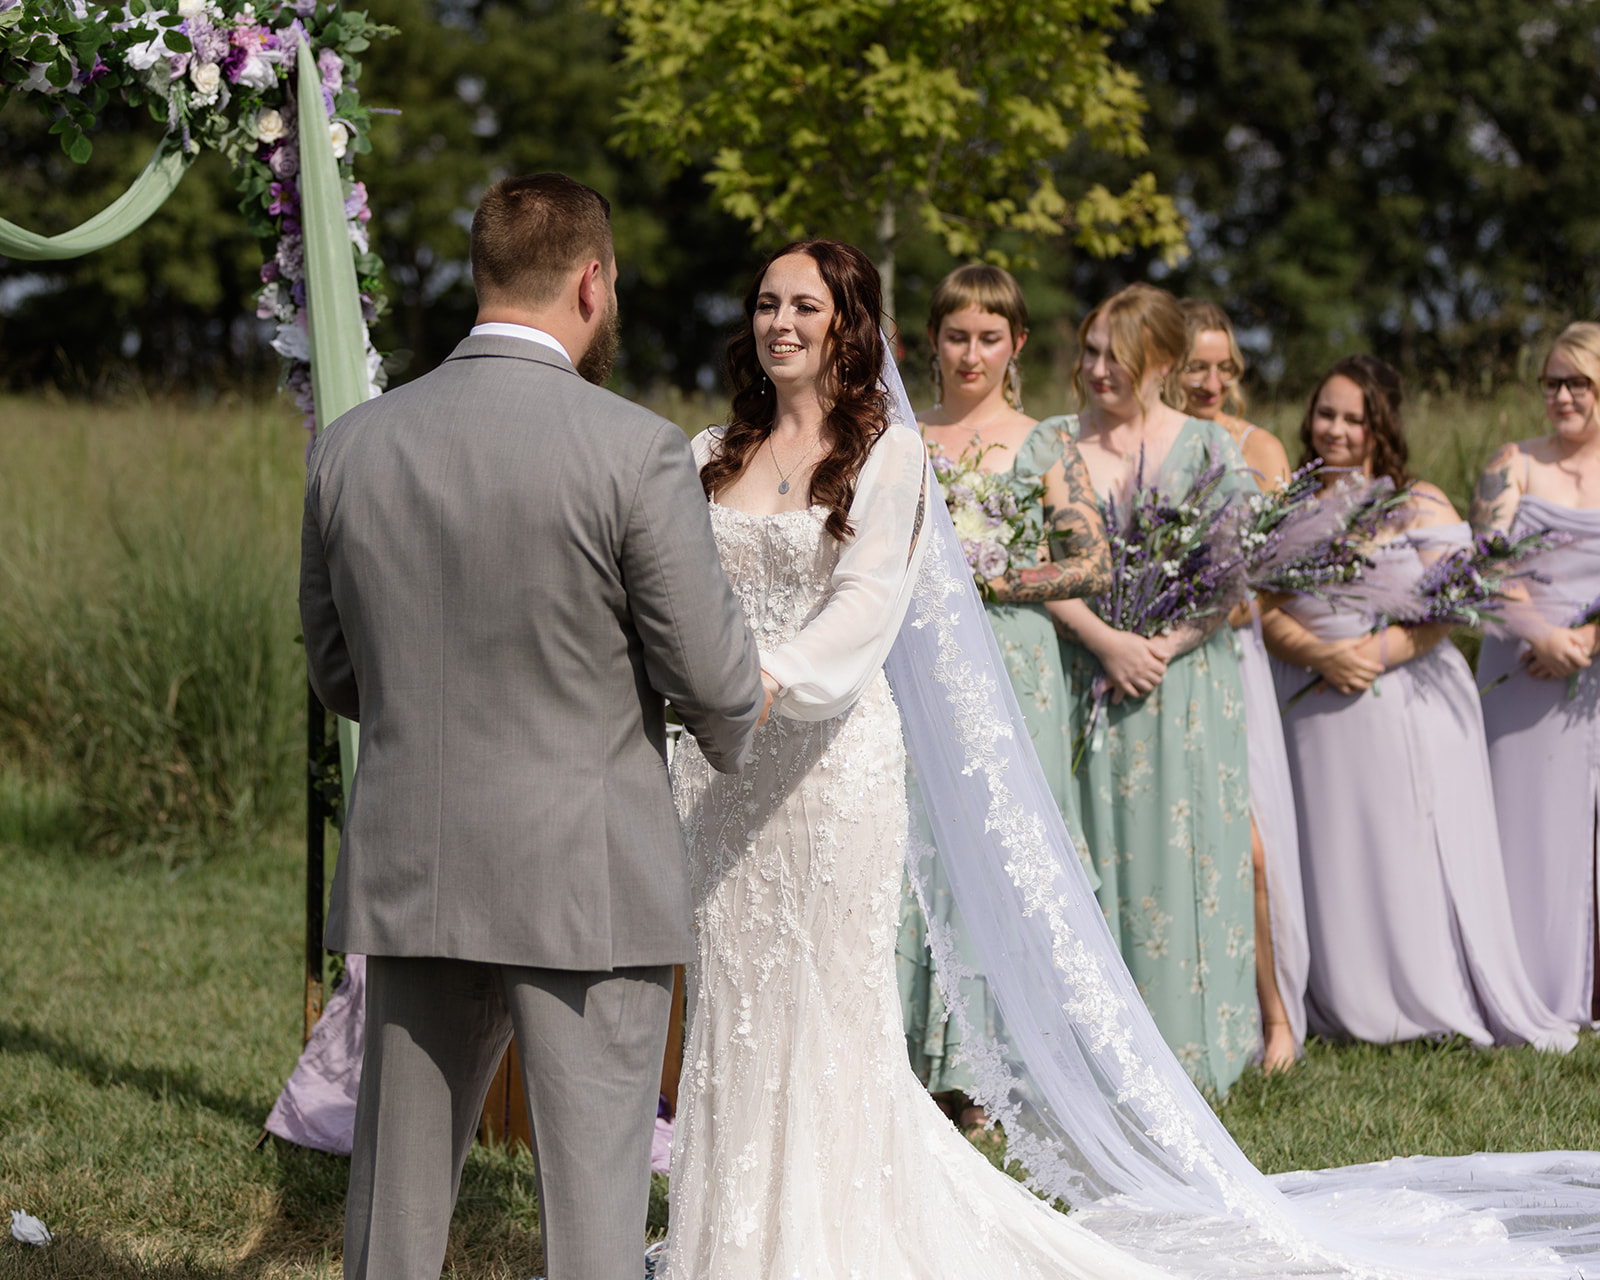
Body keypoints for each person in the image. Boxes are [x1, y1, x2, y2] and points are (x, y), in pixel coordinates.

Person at [666, 240, 1172, 1279]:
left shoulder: (889, 455)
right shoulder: (706, 451)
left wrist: (760, 680)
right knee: (733, 1001)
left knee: (826, 1004)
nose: (779, 323)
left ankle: (827, 1241)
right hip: (717, 769)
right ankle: (729, 1239)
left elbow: (863, 607)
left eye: (805, 306)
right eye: (765, 304)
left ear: (848, 324)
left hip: (826, 764)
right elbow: (670, 591)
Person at [299, 172, 768, 1280]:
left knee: (395, 1203)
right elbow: (710, 675)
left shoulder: (352, 444)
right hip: (584, 879)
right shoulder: (635, 448)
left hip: (415, 865)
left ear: (483, 273)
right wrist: (734, 728)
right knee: (594, 1212)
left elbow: (338, 671)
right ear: (592, 282)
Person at [1262, 355, 1576, 1051]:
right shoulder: (1290, 509)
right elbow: (1263, 609)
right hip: (1313, 705)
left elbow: (1454, 606)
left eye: (1353, 419)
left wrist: (1371, 656)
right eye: (1325, 413)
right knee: (1334, 854)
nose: (1335, 430)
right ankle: (1342, 998)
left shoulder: (1418, 502)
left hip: (1404, 700)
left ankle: (1425, 997)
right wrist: (1320, 654)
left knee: (1405, 851)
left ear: (1381, 426)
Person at [905, 264, 1110, 1125]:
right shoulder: (902, 436)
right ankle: (916, 1065)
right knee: (920, 846)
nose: (972, 354)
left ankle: (999, 1074)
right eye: (957, 336)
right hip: (916, 660)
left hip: (1015, 665)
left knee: (1005, 848)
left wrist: (996, 574)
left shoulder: (1044, 442)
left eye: (990, 338)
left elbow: (1092, 562)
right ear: (933, 341)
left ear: (1016, 343)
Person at [1054, 283, 1260, 1099]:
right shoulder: (1054, 446)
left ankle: (1192, 1051)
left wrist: (1160, 646)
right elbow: (1031, 562)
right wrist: (1106, 641)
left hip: (1184, 684)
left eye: (1120, 356)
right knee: (1090, 854)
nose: (1099, 368)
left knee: (1187, 856)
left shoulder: (1210, 449)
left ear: (1164, 362)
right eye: (1091, 351)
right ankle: (1094, 1053)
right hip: (1085, 675)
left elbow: (1232, 574)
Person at [1178, 299, 1307, 1073]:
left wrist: (1237, 602)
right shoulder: (1151, 442)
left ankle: (1276, 1014)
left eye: (1224, 367)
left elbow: (1287, 570)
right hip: (1166, 656)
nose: (1212, 381)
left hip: (1238, 659)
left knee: (1253, 848)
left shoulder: (1260, 447)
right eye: (1196, 366)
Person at [1475, 321, 1600, 1028]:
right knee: (1520, 824)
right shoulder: (1513, 462)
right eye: (1552, 382)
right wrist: (1543, 635)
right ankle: (1520, 986)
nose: (1562, 396)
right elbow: (1485, 561)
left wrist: (1588, 639)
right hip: (1519, 668)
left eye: (1578, 382)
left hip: (1592, 669)